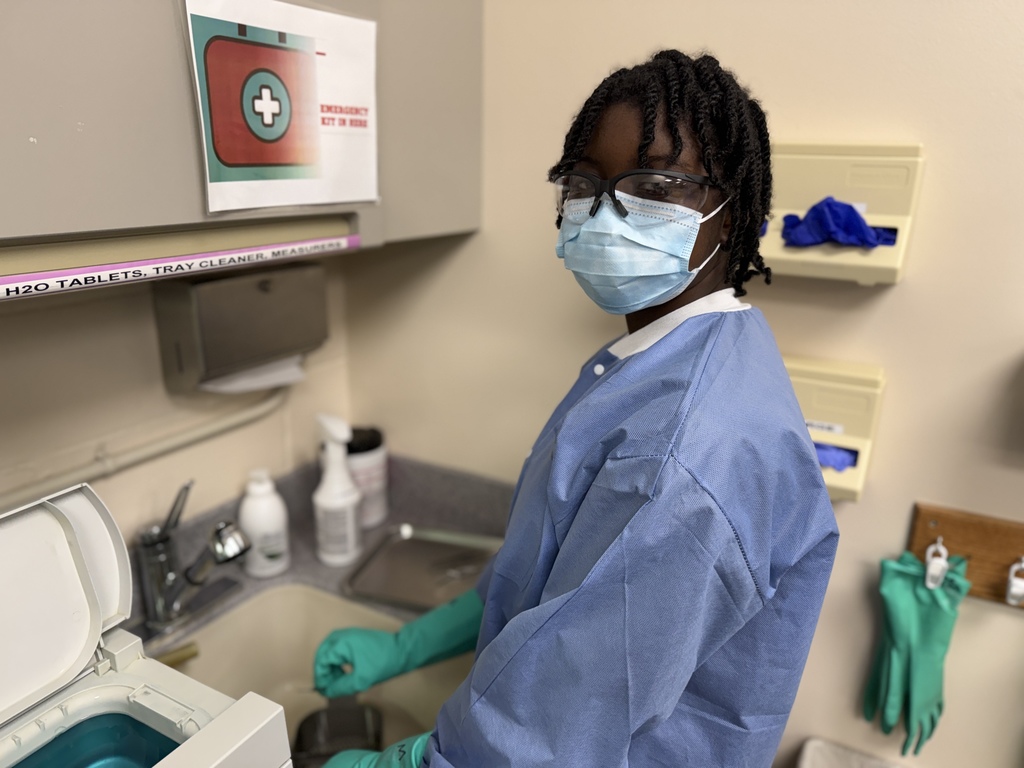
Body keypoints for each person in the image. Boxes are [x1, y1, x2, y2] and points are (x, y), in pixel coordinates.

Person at [314, 49, 839, 767]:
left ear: (730, 211)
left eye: (654, 186)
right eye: (586, 184)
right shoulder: (668, 360)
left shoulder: (681, 450)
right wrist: (411, 643)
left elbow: (557, 730)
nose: (606, 212)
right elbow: (561, 584)